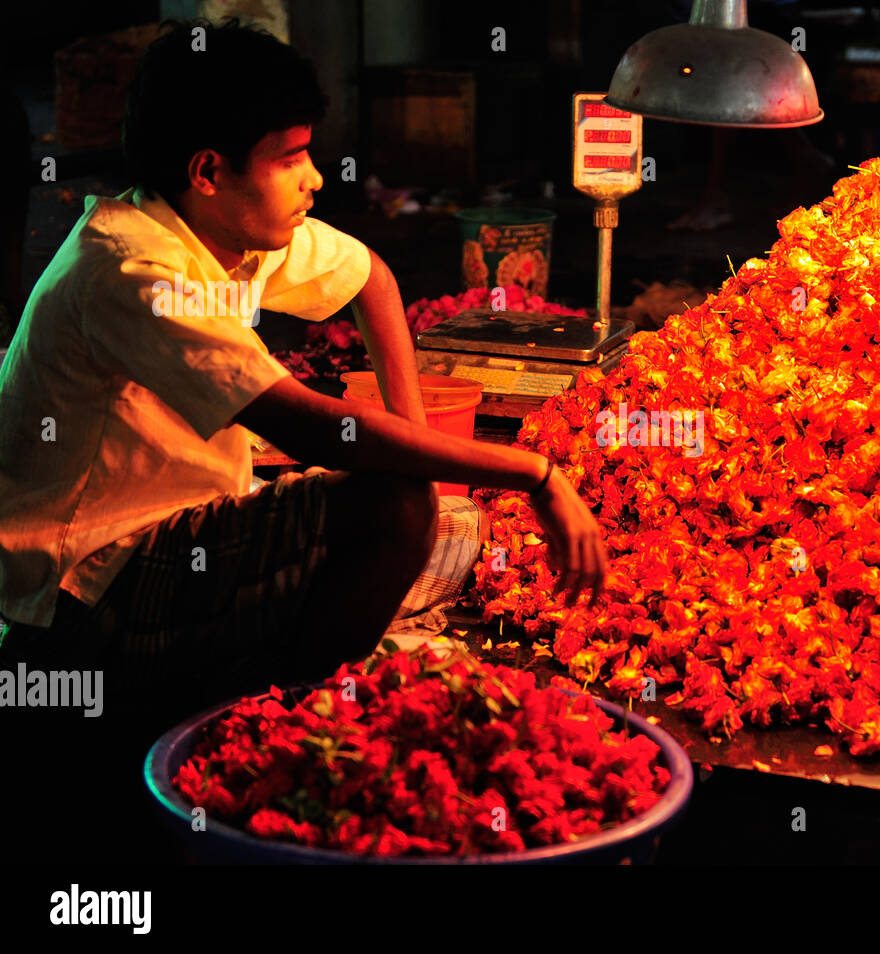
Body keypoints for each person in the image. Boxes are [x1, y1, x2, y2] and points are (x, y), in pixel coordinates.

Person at [0, 20, 606, 780]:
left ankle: (253, 697)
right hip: (84, 598)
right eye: (289, 160)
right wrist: (534, 473)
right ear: (209, 171)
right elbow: (313, 430)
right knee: (392, 510)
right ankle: (276, 736)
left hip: (172, 541)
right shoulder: (134, 273)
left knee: (409, 497)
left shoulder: (219, 230)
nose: (315, 178)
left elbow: (371, 277)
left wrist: (418, 446)